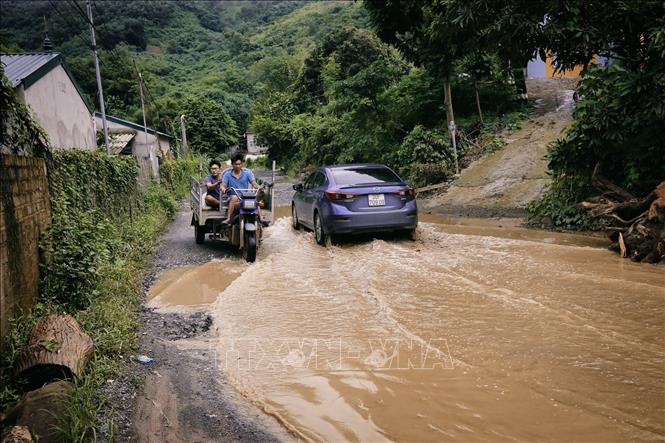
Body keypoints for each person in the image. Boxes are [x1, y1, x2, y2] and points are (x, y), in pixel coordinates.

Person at [220, 153, 260, 224]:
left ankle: (261, 219)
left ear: (242, 164)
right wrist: (224, 189)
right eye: (236, 164)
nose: (238, 166)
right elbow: (223, 185)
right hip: (232, 197)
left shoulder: (247, 173)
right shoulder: (227, 174)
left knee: (255, 200)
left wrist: (259, 187)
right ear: (232, 164)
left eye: (239, 164)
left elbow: (254, 183)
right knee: (234, 197)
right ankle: (229, 218)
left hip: (244, 197)